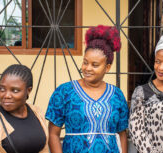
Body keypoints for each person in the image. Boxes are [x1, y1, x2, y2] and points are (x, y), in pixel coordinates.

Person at [45, 25, 129, 153]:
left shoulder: (117, 95)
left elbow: (122, 133)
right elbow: (53, 134)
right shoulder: (64, 92)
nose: (87, 68)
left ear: (107, 67)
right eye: (85, 62)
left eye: (95, 65)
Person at [0, 64, 49, 153]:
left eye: (15, 90)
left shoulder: (37, 112)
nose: (6, 95)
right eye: (2, 89)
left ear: (28, 90)